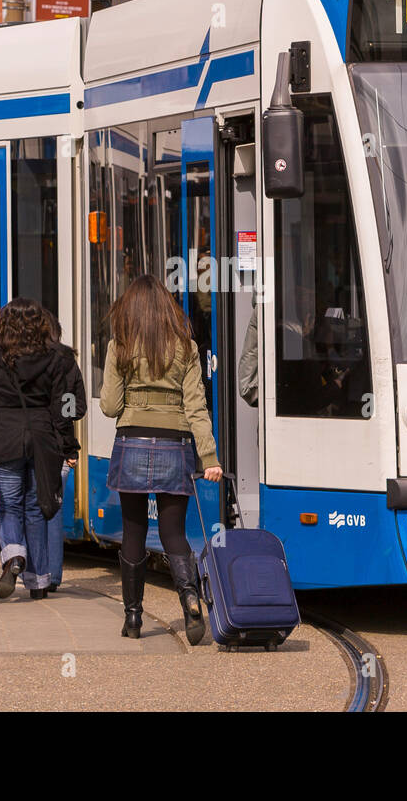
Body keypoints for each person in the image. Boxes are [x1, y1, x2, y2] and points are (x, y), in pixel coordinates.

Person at [101, 274, 224, 645]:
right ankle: (189, 600)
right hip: (175, 445)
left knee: (134, 531)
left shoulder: (118, 347)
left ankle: (133, 618)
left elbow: (108, 406)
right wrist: (209, 457)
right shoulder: (186, 348)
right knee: (173, 532)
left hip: (131, 444)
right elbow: (196, 407)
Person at [0, 298, 71, 600]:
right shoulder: (53, 357)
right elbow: (62, 406)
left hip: (7, 438)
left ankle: (13, 556)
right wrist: (67, 444)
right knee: (36, 509)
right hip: (42, 440)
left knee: (9, 506)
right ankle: (38, 583)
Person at [41, 308, 86, 592]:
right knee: (54, 512)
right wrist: (69, 447)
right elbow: (72, 409)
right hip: (60, 450)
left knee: (32, 511)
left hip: (32, 449)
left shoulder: (27, 361)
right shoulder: (67, 362)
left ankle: (35, 573)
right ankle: (53, 575)